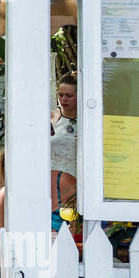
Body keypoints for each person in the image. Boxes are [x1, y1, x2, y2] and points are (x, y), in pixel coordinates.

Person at [50, 73, 78, 221]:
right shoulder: (50, 118)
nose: (64, 99)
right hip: (50, 185)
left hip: (74, 184)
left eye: (69, 95)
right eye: (60, 95)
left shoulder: (86, 121)